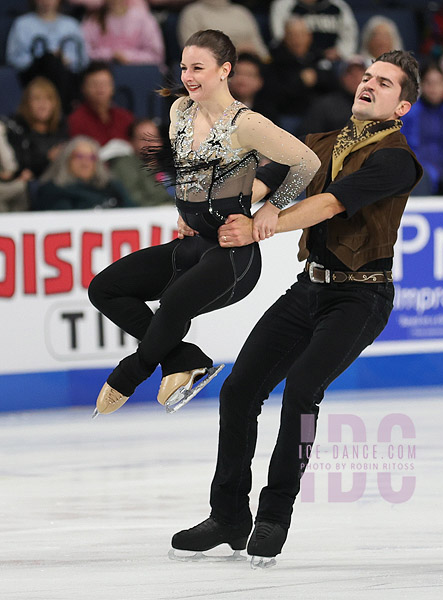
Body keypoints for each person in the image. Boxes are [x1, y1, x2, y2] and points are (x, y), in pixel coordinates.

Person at [171, 49, 423, 563]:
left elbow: (330, 203)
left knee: (303, 392)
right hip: (309, 288)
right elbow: (263, 181)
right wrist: (212, 213)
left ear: (402, 108)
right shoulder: (318, 144)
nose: (369, 84)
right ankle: (228, 516)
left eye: (385, 83)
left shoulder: (396, 159)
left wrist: (267, 224)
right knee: (239, 390)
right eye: (367, 76)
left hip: (361, 296)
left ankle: (273, 515)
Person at [87, 29, 320, 416]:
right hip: (193, 244)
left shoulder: (246, 123)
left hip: (233, 254)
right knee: (105, 289)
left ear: (225, 70)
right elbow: (187, 169)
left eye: (198, 67)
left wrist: (272, 207)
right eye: (183, 67)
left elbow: (307, 162)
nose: (188, 76)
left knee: (173, 304)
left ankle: (130, 374)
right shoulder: (180, 110)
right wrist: (186, 206)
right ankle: (184, 360)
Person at [401, 62, 443, 195]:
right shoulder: (410, 113)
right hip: (418, 168)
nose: (433, 88)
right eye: (429, 83)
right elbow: (404, 146)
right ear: (421, 86)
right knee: (422, 178)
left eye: (438, 83)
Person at [33, 135, 135, 209]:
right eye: (79, 156)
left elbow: (133, 211)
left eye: (91, 157)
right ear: (66, 160)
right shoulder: (53, 190)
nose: (86, 163)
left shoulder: (110, 186)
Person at [6, 76, 69, 180]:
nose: (42, 104)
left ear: (55, 103)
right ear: (27, 103)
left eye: (48, 99)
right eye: (36, 99)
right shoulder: (16, 129)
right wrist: (48, 158)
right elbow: (19, 168)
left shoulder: (62, 126)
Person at [107, 118, 175, 206]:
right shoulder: (125, 165)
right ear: (132, 142)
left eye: (154, 138)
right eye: (143, 139)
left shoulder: (169, 164)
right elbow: (135, 201)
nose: (150, 144)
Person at [68, 61, 135, 146]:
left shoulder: (126, 118)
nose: (100, 89)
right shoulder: (76, 120)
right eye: (94, 84)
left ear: (113, 87)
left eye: (105, 83)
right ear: (83, 88)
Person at [81, 0, 165, 67]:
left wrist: (128, 57)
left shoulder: (143, 19)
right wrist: (110, 55)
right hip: (104, 71)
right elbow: (84, 52)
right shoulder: (93, 21)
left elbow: (156, 55)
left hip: (137, 71)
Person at [177, 1, 270, 61]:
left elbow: (261, 49)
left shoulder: (242, 12)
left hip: (249, 66)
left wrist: (259, 55)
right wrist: (235, 51)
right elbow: (192, 51)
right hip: (215, 69)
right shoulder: (192, 13)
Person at [299, 55, 366, 136]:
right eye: (350, 73)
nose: (356, 77)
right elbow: (309, 136)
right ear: (341, 77)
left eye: (360, 73)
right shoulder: (324, 105)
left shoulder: (375, 107)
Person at [270, 0, 358, 61]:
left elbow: (350, 35)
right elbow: (280, 37)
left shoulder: (338, 6)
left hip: (334, 61)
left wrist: (340, 52)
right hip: (295, 60)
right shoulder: (283, 5)